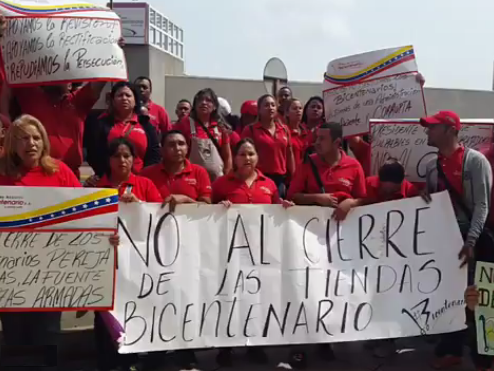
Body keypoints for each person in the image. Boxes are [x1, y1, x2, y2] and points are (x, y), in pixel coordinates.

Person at [0, 115, 119, 370]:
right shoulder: (2, 174)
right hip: (11, 277)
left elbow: (85, 219)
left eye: (35, 137)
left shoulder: (60, 172)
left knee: (48, 342)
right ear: (12, 143)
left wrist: (104, 235)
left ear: (43, 141)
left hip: (52, 276)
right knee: (16, 345)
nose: (30, 143)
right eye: (23, 138)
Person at [282, 122, 366, 370]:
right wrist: (316, 198)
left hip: (340, 242)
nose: (315, 142)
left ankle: (324, 340)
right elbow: (294, 195)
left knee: (329, 290)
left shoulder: (354, 166)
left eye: (321, 139)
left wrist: (350, 202)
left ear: (338, 143)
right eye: (316, 138)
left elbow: (365, 198)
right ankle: (298, 345)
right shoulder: (309, 164)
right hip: (308, 239)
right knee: (303, 289)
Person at [421, 110, 493, 370]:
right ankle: (452, 350)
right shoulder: (431, 167)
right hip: (445, 245)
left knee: (476, 301)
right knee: (449, 298)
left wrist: (471, 241)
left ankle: (484, 358)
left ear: (450, 130)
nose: (427, 131)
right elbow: (430, 204)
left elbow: (482, 205)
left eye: (432, 127)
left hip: (473, 243)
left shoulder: (475, 162)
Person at [212, 137, 293, 368]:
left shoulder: (269, 184)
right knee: (229, 297)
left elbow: (277, 210)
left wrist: (285, 208)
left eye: (251, 154)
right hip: (228, 251)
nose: (247, 158)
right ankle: (225, 346)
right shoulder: (221, 184)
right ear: (235, 159)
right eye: (242, 154)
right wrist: (217, 209)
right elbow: (205, 213)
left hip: (260, 252)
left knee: (257, 297)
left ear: (257, 157)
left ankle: (255, 344)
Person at [85, 81, 160, 178]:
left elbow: (154, 155)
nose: (124, 98)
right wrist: (105, 175)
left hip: (140, 181)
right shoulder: (100, 124)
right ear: (112, 100)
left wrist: (143, 178)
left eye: (128, 95)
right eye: (120, 95)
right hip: (109, 182)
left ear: (135, 101)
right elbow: (93, 154)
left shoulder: (146, 125)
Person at [141, 130, 212, 210]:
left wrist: (187, 200)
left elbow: (207, 206)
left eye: (181, 144)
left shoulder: (199, 172)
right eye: (171, 145)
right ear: (162, 150)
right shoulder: (147, 174)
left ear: (187, 148)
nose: (177, 148)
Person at [241, 94, 295, 198]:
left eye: (273, 105)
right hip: (259, 178)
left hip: (280, 181)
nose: (270, 108)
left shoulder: (284, 129)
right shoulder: (250, 130)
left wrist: (292, 178)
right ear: (259, 110)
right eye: (266, 105)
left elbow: (289, 154)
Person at [174, 88, 232, 181]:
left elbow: (227, 156)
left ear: (214, 106)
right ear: (195, 105)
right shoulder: (184, 123)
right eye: (200, 100)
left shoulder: (221, 127)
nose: (203, 103)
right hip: (191, 179)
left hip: (217, 180)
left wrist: (227, 176)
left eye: (208, 100)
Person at [285, 98, 309, 168]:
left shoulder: (306, 132)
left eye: (300, 108)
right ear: (287, 113)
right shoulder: (284, 131)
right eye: (294, 108)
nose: (298, 111)